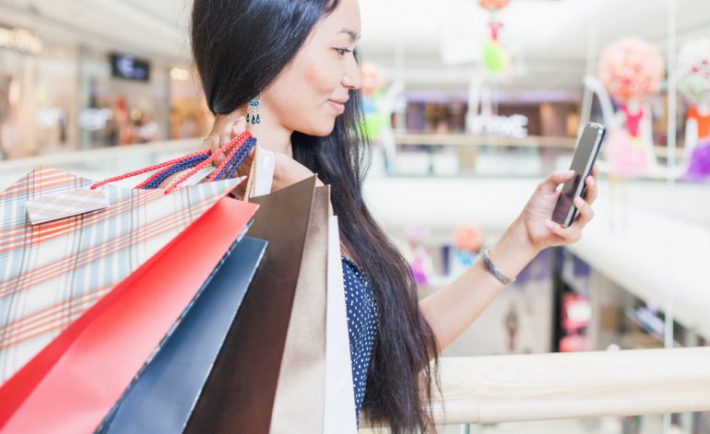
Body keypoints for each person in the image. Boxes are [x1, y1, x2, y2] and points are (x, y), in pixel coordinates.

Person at [190, 0, 598, 432]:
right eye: (340, 50)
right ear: (265, 45)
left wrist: (524, 239)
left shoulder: (307, 180)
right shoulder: (218, 201)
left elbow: (390, 352)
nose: (353, 77)